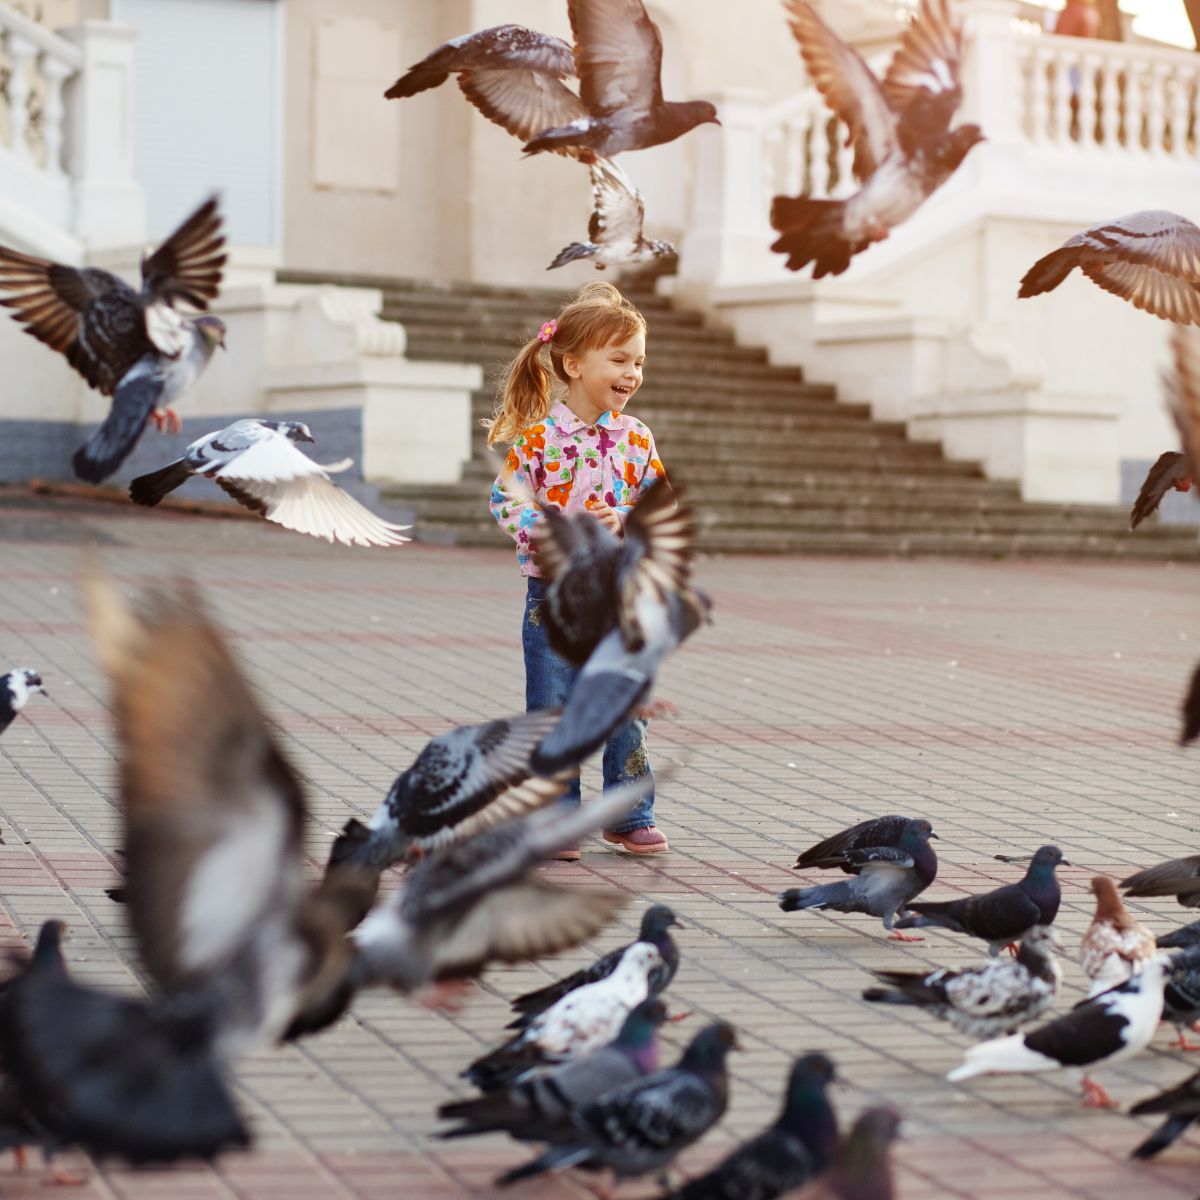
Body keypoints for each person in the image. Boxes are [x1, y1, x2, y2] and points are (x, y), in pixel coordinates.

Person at [488, 281, 669, 860]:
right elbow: (506, 501)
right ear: (572, 363)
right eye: (618, 359)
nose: (632, 372)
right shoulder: (538, 440)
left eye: (638, 361)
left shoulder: (637, 438)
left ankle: (627, 814)